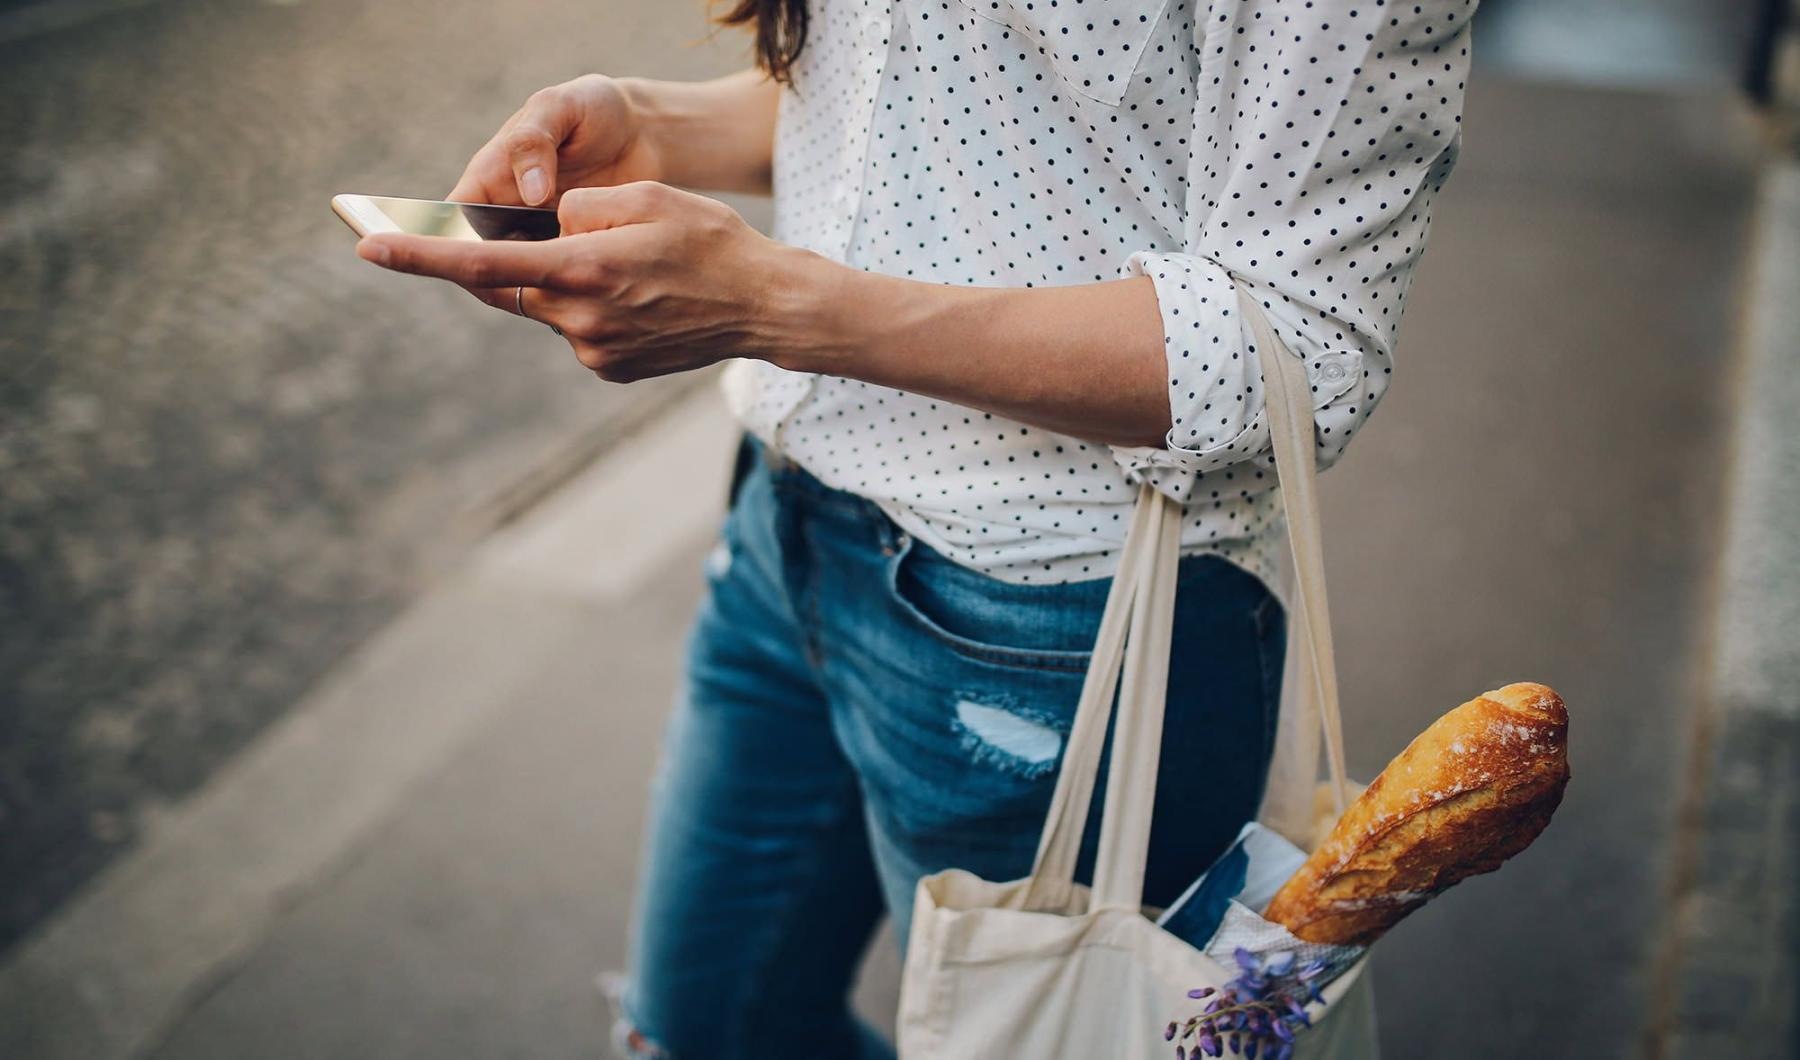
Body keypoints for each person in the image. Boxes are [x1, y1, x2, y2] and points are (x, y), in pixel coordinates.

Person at [355, 0, 1474, 1054]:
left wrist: (770, 304)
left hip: (1058, 623)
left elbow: (1302, 345)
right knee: (703, 1031)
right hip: (784, 525)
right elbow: (923, 93)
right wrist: (652, 122)